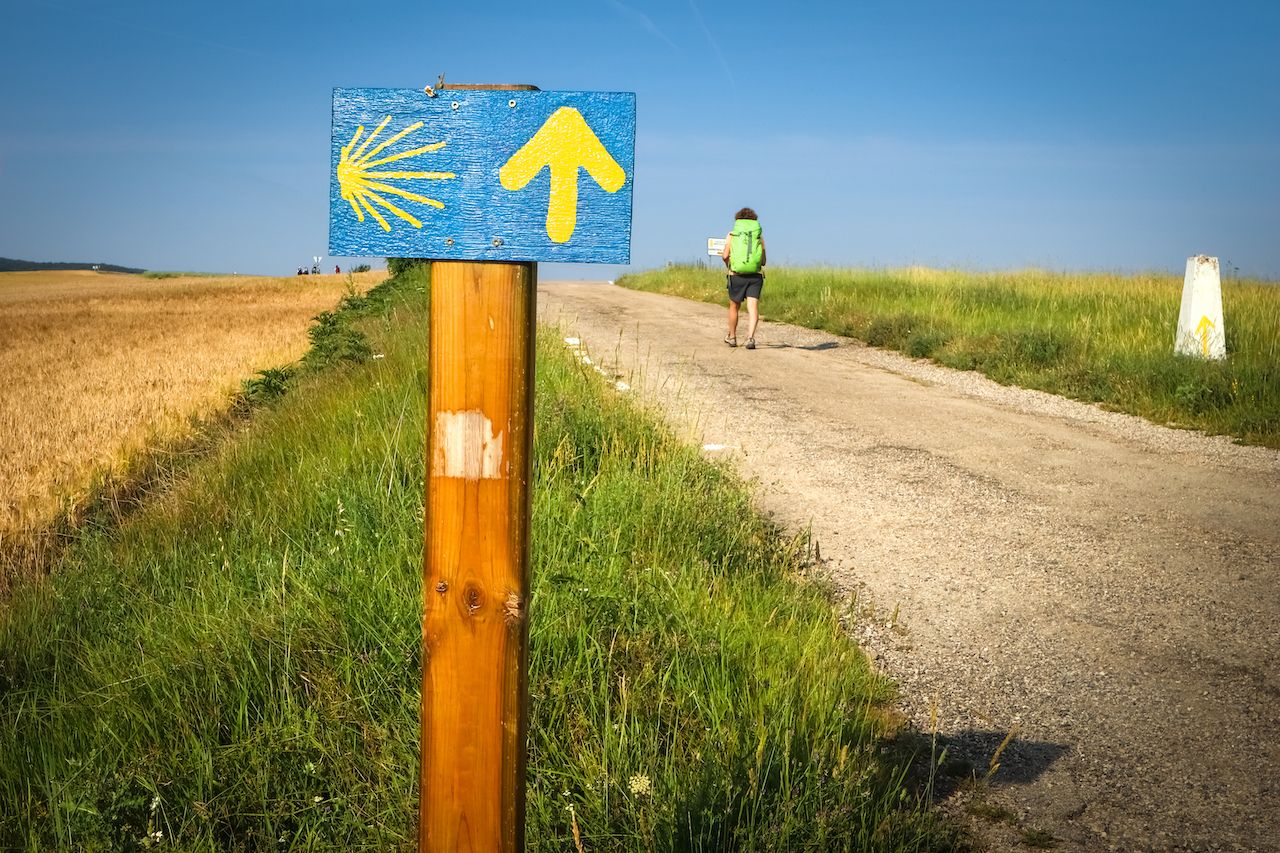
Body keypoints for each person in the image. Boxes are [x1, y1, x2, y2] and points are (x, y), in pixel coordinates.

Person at [720, 207, 766, 349]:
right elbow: (763, 260)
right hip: (755, 276)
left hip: (736, 275)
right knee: (753, 307)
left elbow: (725, 256)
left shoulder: (732, 234)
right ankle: (750, 338)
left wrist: (731, 265)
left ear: (738, 220)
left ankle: (732, 337)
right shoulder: (758, 236)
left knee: (734, 306)